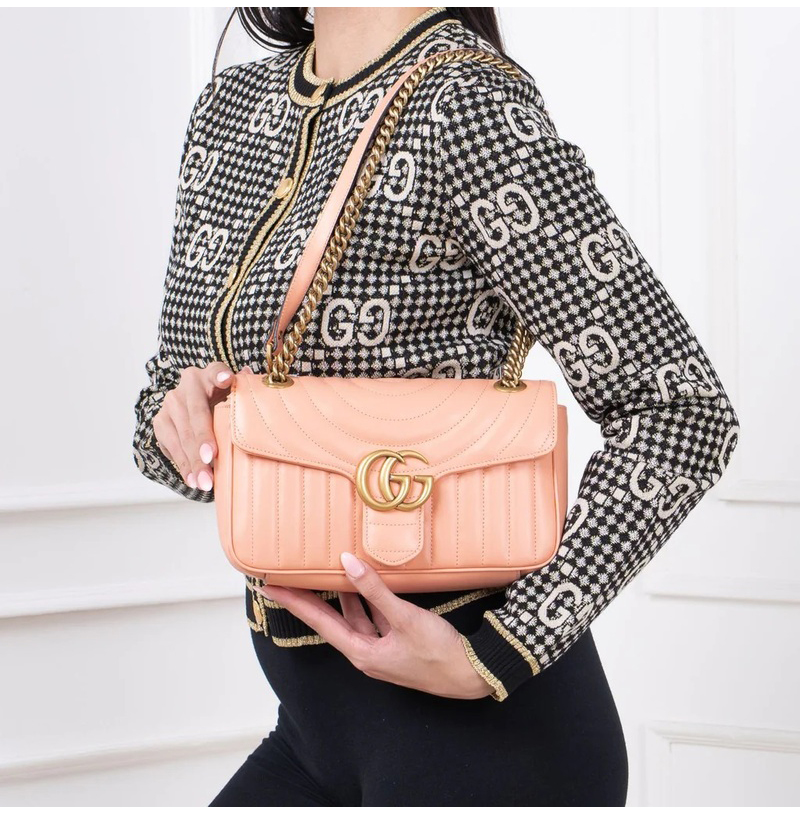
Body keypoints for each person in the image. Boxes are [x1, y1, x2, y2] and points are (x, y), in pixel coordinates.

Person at [132, 7, 740, 806]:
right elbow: (168, 407)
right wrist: (176, 421)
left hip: (495, 746)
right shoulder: (230, 110)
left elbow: (682, 410)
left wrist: (502, 648)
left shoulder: (467, 107)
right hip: (311, 736)